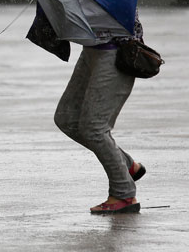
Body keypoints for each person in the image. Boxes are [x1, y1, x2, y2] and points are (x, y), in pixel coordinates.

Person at [54, 13, 146, 214]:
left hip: (116, 52)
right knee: (67, 118)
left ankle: (124, 194)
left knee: (94, 128)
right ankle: (128, 166)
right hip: (92, 50)